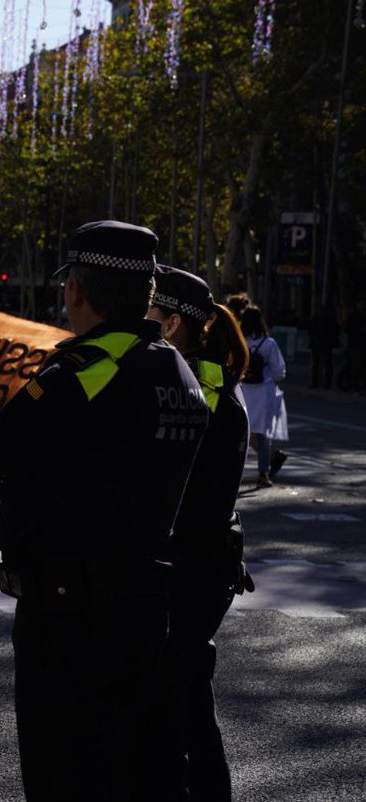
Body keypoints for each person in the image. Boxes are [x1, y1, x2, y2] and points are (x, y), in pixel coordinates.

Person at [0, 220, 208, 802]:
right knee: (131, 771)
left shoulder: (87, 373)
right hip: (145, 603)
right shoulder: (177, 369)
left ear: (76, 292)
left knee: (62, 771)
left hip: (71, 614)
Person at [143, 266, 253, 801]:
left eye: (150, 317)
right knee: (184, 692)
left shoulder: (200, 389)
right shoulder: (203, 379)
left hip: (193, 562)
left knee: (174, 696)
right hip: (200, 561)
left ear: (172, 325)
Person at [239, 306, 288, 488]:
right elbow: (279, 372)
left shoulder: (241, 341)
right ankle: (263, 472)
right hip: (264, 392)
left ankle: (237, 470)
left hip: (244, 391)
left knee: (244, 432)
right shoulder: (269, 343)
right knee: (263, 435)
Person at [307, 305, 340, 390]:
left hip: (324, 343)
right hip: (321, 343)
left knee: (322, 364)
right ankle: (320, 383)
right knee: (321, 364)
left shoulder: (325, 320)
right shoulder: (318, 319)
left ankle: (321, 383)